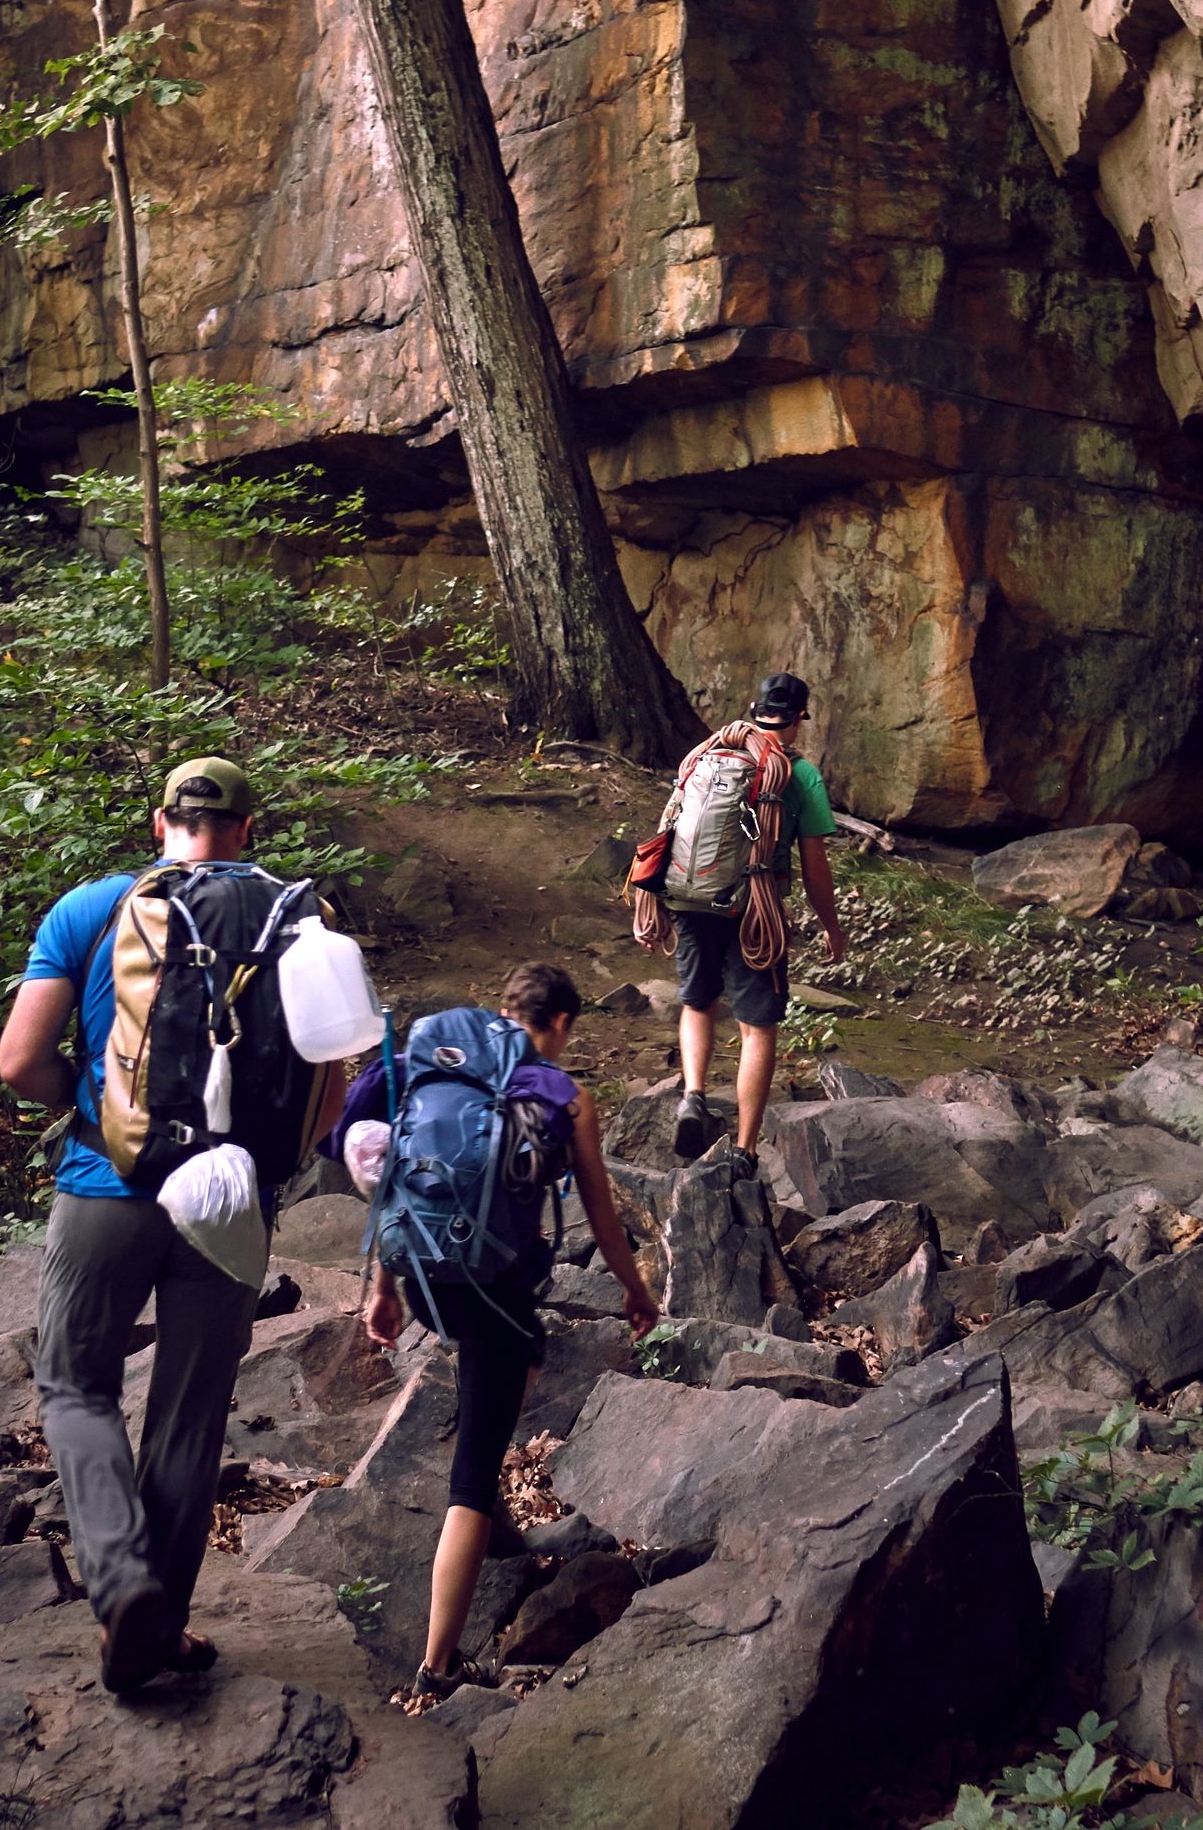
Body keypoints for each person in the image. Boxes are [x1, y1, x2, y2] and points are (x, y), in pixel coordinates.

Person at [0, 757, 345, 1694]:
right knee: (189, 1416)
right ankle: (159, 1625)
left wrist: (98, 1107)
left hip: (104, 1185)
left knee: (74, 1386)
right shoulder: (294, 920)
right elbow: (331, 1082)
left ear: (162, 821)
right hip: (229, 1210)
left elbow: (19, 1059)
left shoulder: (92, 909)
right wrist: (265, 1166)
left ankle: (121, 1581)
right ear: (246, 830)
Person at [350, 962, 656, 1704]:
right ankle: (437, 1664)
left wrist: (384, 1290)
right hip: (489, 1285)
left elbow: (389, 1175)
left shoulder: (432, 1068)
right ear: (558, 1026)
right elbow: (604, 1220)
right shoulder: (563, 1093)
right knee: (475, 1464)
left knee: (516, 1357)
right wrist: (635, 1286)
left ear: (501, 1009)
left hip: (420, 1274)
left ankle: (499, 1523)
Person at [671, 672, 847, 1172]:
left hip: (692, 896)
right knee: (757, 1027)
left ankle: (693, 1094)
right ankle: (745, 1149)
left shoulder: (707, 754)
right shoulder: (799, 773)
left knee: (696, 1001)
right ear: (799, 718)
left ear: (753, 710)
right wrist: (831, 926)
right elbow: (815, 864)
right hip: (756, 910)